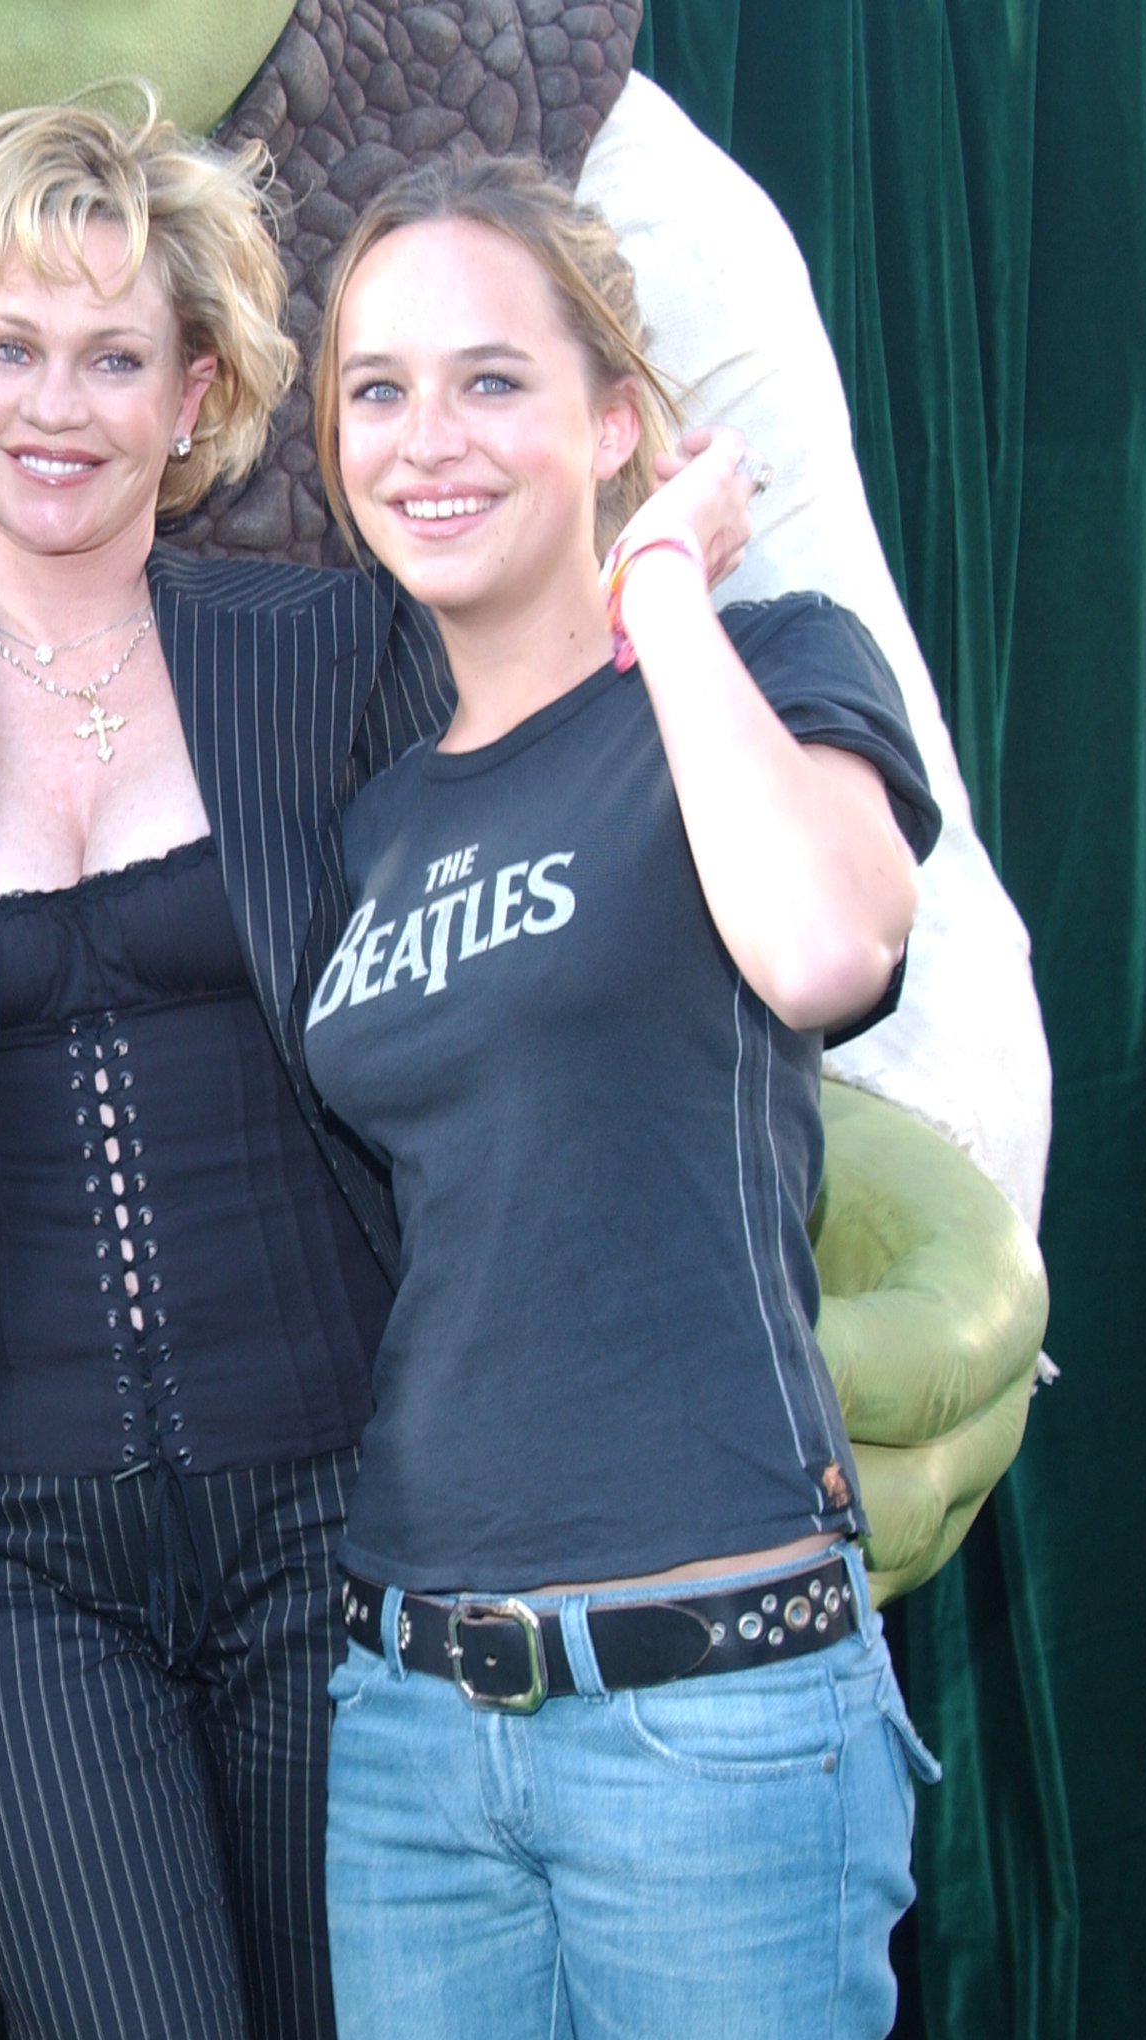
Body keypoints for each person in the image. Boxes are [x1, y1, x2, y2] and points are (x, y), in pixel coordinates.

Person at [0, 101, 449, 2039]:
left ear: (194, 394)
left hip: (350, 1518)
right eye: (14, 347)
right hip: (15, 1562)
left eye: (116, 355)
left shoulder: (335, 651)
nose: (60, 404)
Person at [301, 154, 947, 2039]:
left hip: (710, 1723)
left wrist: (657, 582)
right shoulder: (383, 822)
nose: (429, 437)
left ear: (615, 418)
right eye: (379, 389)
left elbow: (828, 948)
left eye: (494, 379)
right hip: (413, 1730)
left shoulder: (769, 669)